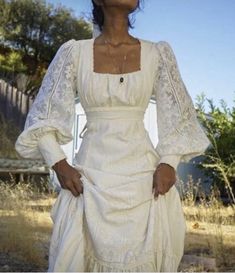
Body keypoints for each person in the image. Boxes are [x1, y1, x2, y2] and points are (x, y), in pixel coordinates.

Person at [15, 0, 211, 271]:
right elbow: (42, 116)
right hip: (89, 182)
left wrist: (169, 161)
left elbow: (180, 116)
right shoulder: (74, 53)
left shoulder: (158, 54)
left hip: (144, 182)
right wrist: (58, 164)